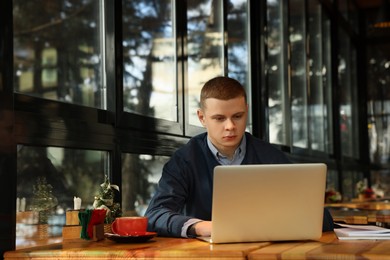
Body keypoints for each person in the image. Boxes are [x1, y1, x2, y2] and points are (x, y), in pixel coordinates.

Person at [144, 76, 333, 238]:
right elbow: (154, 215)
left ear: (246, 111)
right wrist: (201, 227)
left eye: (237, 116)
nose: (230, 126)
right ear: (202, 118)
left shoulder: (271, 157)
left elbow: (321, 218)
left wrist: (276, 223)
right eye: (219, 118)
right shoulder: (185, 160)